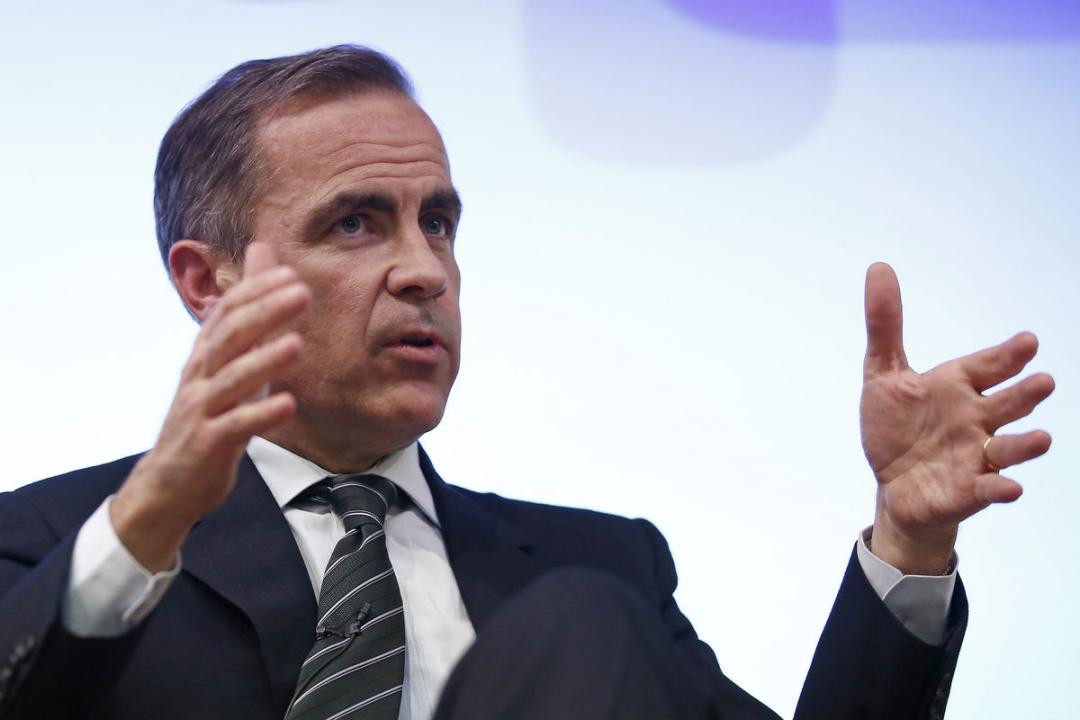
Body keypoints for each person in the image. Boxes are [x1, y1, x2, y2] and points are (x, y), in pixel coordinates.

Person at [0, 45, 1055, 720]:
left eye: (439, 223)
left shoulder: (605, 570)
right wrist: (150, 518)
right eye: (356, 223)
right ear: (208, 280)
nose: (424, 269)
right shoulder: (52, 542)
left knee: (580, 619)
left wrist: (908, 545)